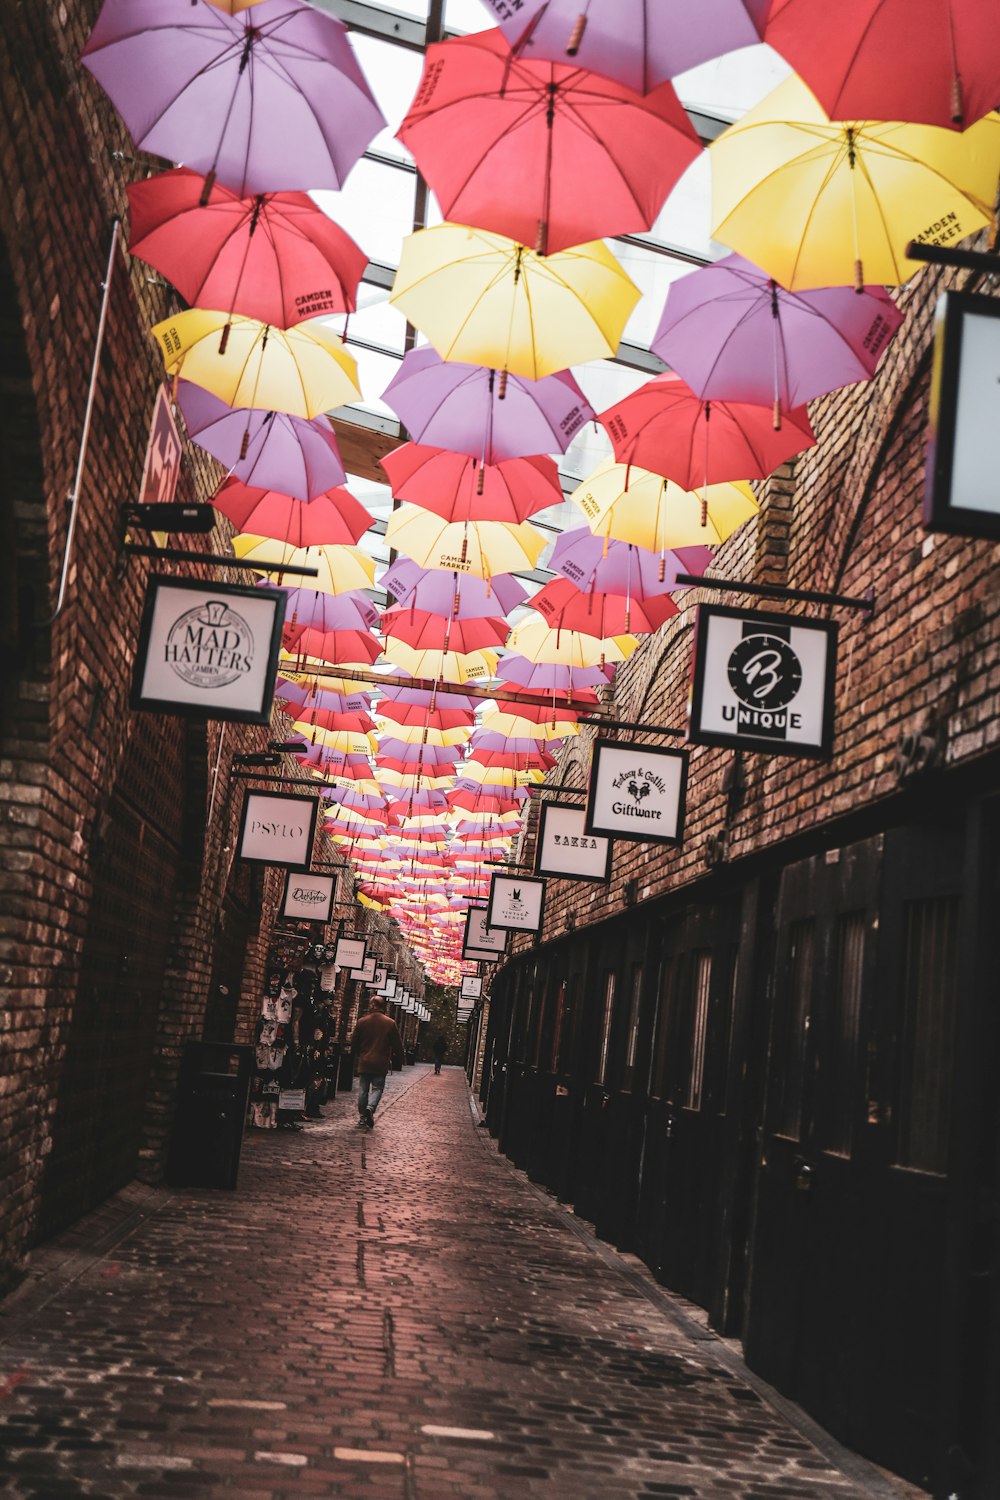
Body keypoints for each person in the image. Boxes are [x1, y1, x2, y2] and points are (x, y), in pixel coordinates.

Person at [350, 997, 404, 1130]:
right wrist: (401, 1058)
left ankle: (363, 1117)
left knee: (363, 1090)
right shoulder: (390, 1023)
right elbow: (397, 1044)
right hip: (380, 1062)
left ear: (373, 1005)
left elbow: (354, 1042)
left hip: (365, 1061)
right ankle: (370, 1107)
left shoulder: (362, 1022)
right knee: (377, 1088)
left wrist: (357, 1054)